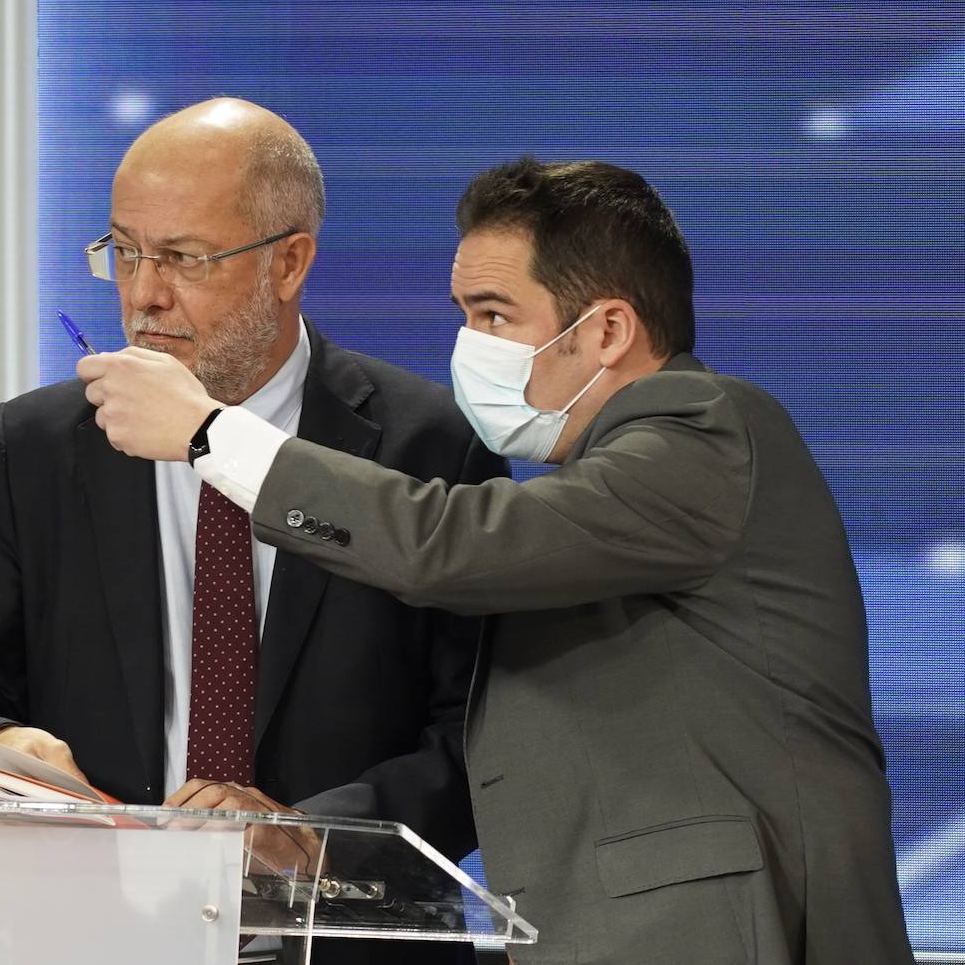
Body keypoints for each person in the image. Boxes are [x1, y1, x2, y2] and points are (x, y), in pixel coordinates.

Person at [78, 157, 916, 964]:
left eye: (493, 315)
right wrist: (303, 831)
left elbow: (451, 544)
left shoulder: (709, 430)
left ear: (609, 331)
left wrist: (209, 434)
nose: (467, 345)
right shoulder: (601, 499)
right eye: (462, 313)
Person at [0, 98, 504, 964]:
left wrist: (316, 833)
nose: (143, 294)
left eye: (182, 258)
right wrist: (3, 749)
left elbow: (483, 738)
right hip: (95, 936)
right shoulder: (41, 443)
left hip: (348, 942)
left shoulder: (427, 443)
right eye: (125, 251)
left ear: (289, 263)